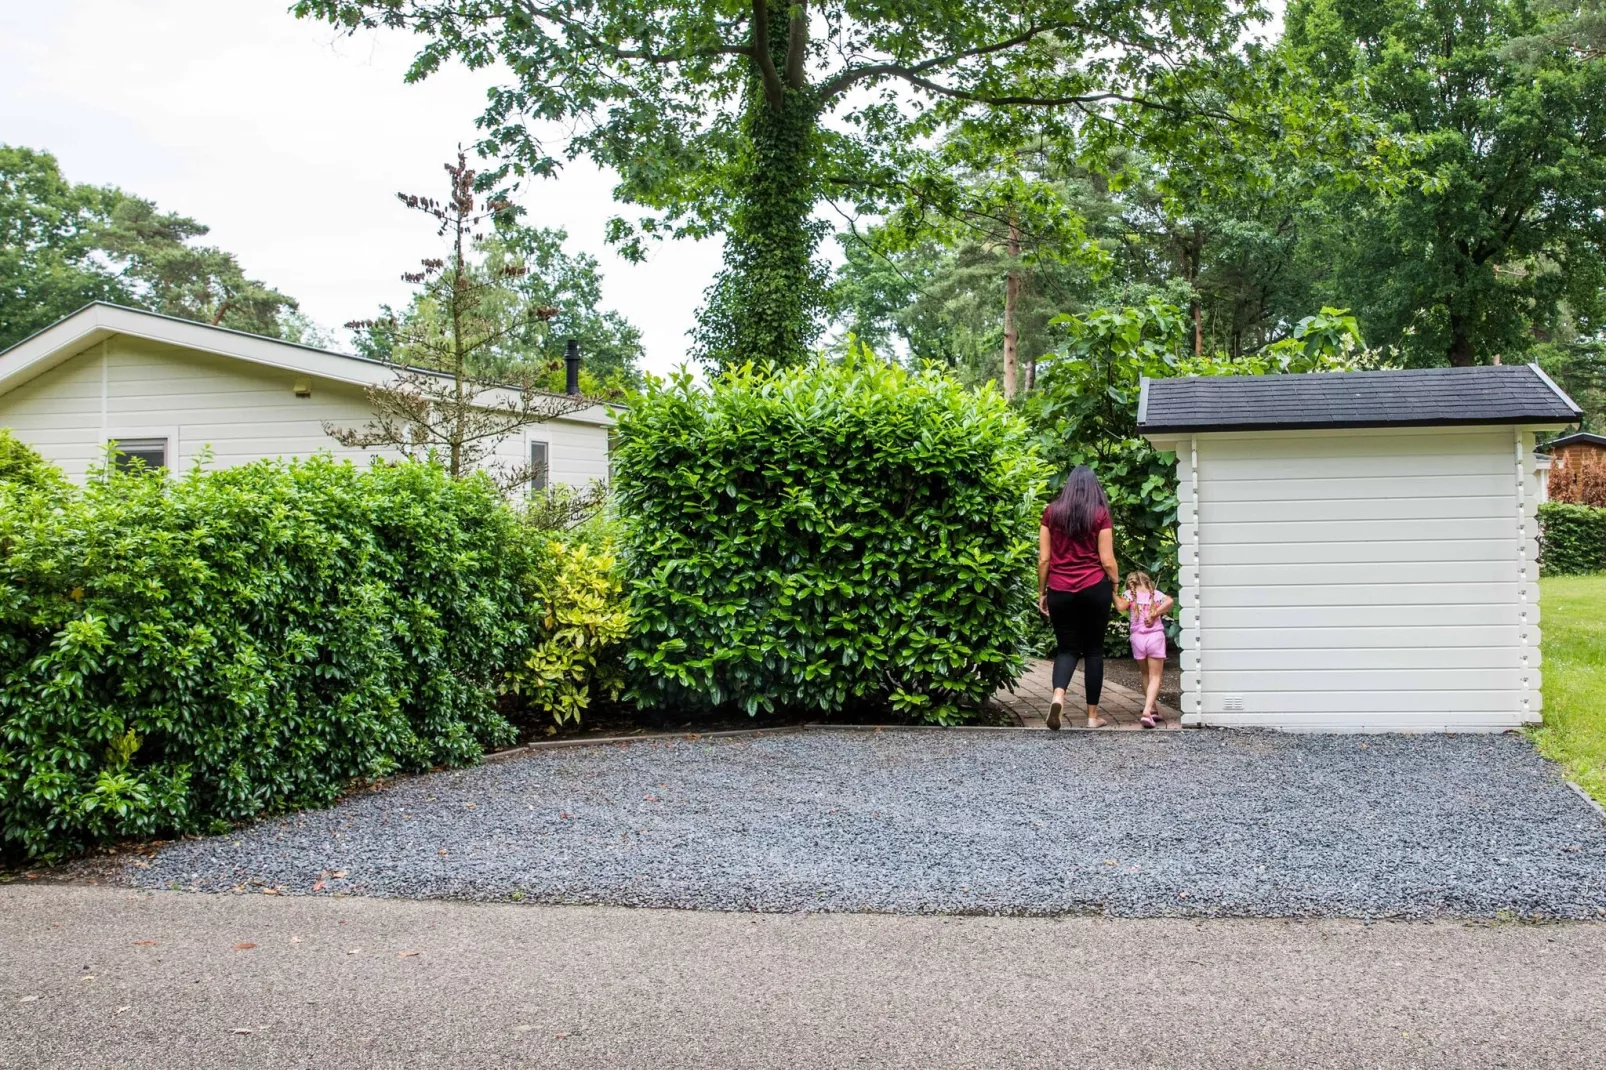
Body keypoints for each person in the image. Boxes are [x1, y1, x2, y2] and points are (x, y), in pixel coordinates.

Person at [1037, 466, 1118, 730]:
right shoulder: (1099, 514)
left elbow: (1044, 559)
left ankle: (1058, 695)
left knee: (1067, 649)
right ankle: (1093, 717)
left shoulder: (1051, 512)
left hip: (1060, 588)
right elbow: (1107, 560)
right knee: (1093, 650)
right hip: (1094, 587)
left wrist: (1042, 591)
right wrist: (1115, 586)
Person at [1115, 571, 1174, 729]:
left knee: (1146, 674)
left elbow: (1120, 607)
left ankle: (1153, 708)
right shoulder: (1155, 594)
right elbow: (1169, 601)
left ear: (1130, 584)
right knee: (1156, 677)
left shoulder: (1128, 595)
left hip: (1137, 639)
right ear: (1148, 582)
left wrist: (1112, 593)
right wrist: (1156, 613)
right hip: (1155, 638)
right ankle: (1148, 711)